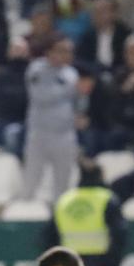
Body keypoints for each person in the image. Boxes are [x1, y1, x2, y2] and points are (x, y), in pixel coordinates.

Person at [21, 37, 83, 202]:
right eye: (62, 51)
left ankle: (58, 222)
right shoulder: (36, 69)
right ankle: (24, 212)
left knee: (63, 185)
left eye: (69, 51)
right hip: (39, 134)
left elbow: (79, 99)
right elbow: (40, 96)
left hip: (64, 135)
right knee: (31, 181)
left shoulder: (71, 73)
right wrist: (68, 90)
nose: (67, 55)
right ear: (50, 52)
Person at [45, 161, 127, 266]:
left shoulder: (65, 200)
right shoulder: (107, 198)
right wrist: (113, 260)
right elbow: (120, 232)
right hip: (101, 262)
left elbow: (49, 236)